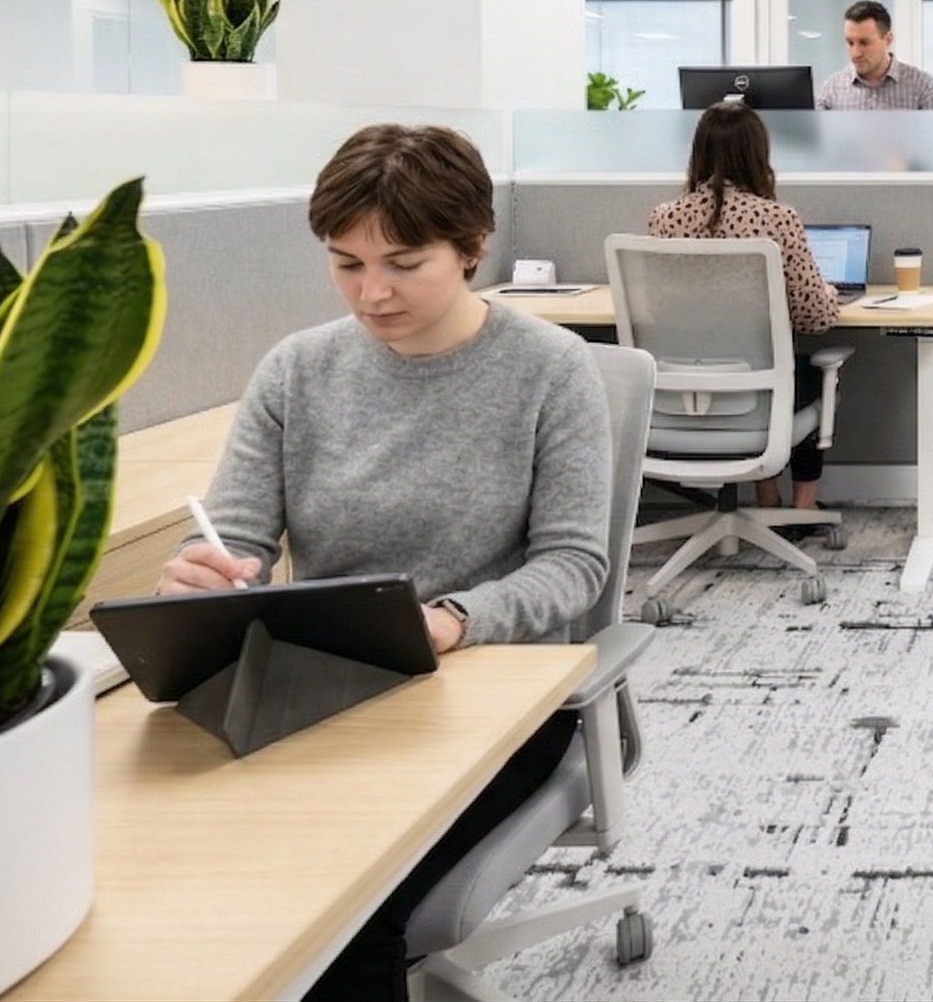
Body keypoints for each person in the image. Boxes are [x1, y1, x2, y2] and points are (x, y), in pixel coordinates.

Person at [158, 124, 613, 1002]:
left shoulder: (551, 371)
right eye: (346, 264)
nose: (373, 293)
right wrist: (202, 568)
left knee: (346, 908)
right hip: (313, 688)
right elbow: (239, 536)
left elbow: (573, 566)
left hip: (486, 700)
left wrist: (454, 620)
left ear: (474, 246)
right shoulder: (296, 371)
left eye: (404, 263)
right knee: (185, 867)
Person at [647, 98, 841, 511]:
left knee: (773, 367)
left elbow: (656, 308)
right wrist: (828, 293)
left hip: (680, 396)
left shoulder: (664, 219)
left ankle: (766, 501)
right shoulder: (777, 219)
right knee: (804, 370)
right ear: (758, 155)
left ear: (698, 153)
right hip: (756, 396)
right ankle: (802, 511)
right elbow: (814, 318)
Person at [814, 0, 933, 110]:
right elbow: (813, 140)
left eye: (864, 43)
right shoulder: (831, 91)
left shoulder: (922, 87)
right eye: (850, 43)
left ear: (888, 40)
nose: (856, 53)